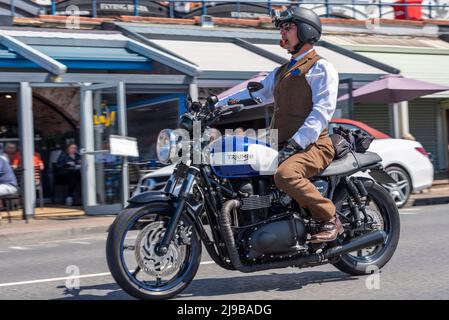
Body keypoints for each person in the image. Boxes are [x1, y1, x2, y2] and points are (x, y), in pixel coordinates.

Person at [217, 6, 341, 243]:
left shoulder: (320, 67)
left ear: (305, 31)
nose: (282, 33)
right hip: (282, 144)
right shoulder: (281, 71)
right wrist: (215, 104)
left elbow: (322, 111)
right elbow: (254, 94)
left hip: (313, 146)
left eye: (288, 27)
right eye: (281, 28)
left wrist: (296, 143)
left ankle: (329, 217)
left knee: (285, 175)